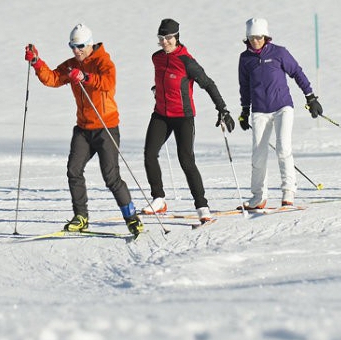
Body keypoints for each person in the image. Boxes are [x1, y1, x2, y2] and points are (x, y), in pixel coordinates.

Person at [25, 24, 143, 235]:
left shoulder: (104, 62)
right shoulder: (71, 66)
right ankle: (81, 217)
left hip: (106, 127)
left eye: (79, 46)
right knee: (73, 170)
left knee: (111, 177)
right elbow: (52, 79)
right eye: (72, 46)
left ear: (89, 44)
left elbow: (108, 83)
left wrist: (86, 77)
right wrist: (36, 62)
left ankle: (131, 218)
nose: (76, 50)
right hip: (83, 129)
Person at [144, 17, 231, 223]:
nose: (164, 42)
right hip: (161, 114)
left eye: (168, 38)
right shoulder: (156, 58)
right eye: (161, 38)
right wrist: (158, 89)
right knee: (149, 154)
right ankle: (158, 199)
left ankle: (202, 206)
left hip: (183, 117)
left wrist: (222, 109)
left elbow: (208, 84)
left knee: (186, 160)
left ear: (177, 37)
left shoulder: (187, 61)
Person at [237, 17, 322, 211]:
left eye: (258, 37)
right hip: (259, 110)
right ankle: (258, 196)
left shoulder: (279, 53)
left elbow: (297, 73)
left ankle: (288, 192)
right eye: (251, 37)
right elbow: (244, 86)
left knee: (283, 148)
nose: (255, 41)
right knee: (258, 155)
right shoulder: (245, 59)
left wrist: (310, 97)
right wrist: (244, 109)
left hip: (282, 107)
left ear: (265, 36)